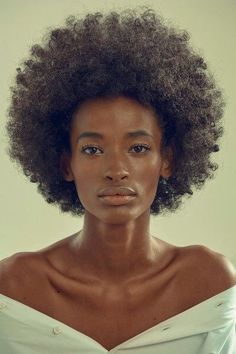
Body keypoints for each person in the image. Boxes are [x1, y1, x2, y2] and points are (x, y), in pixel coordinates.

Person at [0, 6, 235, 354]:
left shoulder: (208, 284)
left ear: (166, 160)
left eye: (138, 147)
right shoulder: (14, 288)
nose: (116, 169)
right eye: (93, 150)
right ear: (66, 164)